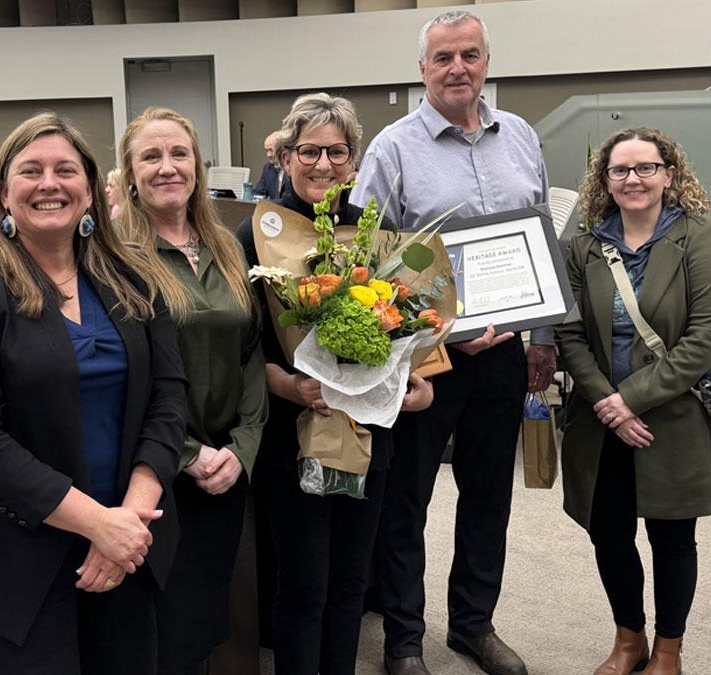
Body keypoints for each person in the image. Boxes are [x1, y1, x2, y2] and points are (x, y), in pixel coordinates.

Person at [0, 112, 188, 674]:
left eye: (65, 170)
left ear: (90, 189)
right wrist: (98, 525)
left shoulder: (131, 275)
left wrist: (130, 519)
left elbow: (169, 396)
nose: (49, 184)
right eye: (30, 171)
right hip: (16, 561)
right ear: (2, 192)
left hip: (128, 545)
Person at [351, 10, 556, 675]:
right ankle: (405, 640)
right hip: (427, 359)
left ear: (486, 62)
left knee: (489, 495)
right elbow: (367, 260)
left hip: (504, 354)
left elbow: (542, 232)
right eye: (443, 57)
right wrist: (434, 330)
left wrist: (543, 333)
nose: (458, 68)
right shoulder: (392, 149)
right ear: (422, 69)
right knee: (406, 501)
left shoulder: (520, 135)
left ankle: (473, 625)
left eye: (469, 54)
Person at [236, 92, 433, 675]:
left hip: (367, 430)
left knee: (351, 579)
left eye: (337, 152)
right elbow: (242, 346)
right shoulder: (256, 236)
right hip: (293, 429)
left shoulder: (377, 233)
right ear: (285, 157)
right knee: (303, 581)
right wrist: (288, 385)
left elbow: (411, 323)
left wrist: (420, 380)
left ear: (353, 160)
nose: (323, 164)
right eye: (309, 151)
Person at [556, 127, 711, 675]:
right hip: (600, 419)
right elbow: (570, 335)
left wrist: (629, 400)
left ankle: (668, 650)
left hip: (671, 417)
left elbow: (707, 335)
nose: (633, 179)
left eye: (646, 168)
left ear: (669, 175)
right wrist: (607, 403)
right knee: (609, 533)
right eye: (620, 170)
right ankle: (629, 638)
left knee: (672, 537)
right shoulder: (584, 247)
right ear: (605, 180)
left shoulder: (696, 238)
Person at [117, 106, 268, 674]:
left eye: (179, 154)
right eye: (151, 156)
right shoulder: (115, 258)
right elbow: (123, 376)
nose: (167, 167)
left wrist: (242, 448)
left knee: (217, 613)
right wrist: (185, 453)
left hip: (227, 466)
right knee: (167, 627)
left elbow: (250, 352)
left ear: (198, 167)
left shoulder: (225, 246)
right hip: (156, 471)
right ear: (130, 174)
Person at [251, 131, 284, 199]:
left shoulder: (293, 168)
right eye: (267, 150)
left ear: (282, 149)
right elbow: (258, 192)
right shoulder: (268, 168)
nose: (268, 155)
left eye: (271, 150)